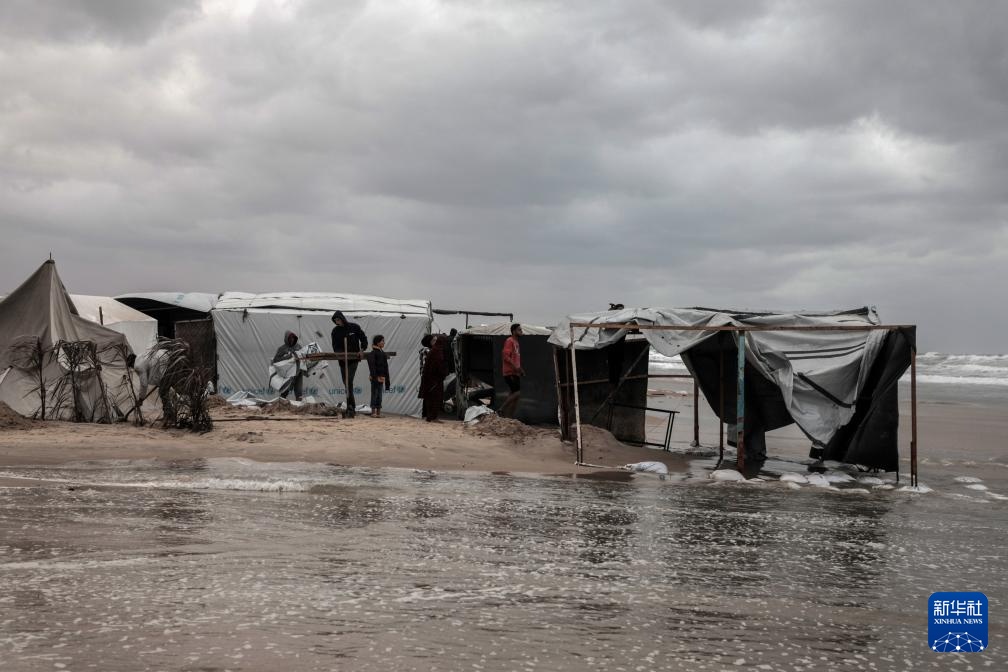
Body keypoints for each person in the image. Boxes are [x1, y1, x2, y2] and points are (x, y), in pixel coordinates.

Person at [331, 310, 367, 417]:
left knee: (348, 381)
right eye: (335, 320)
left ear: (342, 318)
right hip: (342, 361)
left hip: (353, 359)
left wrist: (362, 350)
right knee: (346, 384)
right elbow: (335, 346)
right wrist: (340, 355)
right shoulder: (335, 331)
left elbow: (363, 339)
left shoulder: (354, 327)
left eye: (338, 319)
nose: (337, 322)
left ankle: (351, 407)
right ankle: (351, 407)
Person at [419, 333, 448, 422]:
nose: (435, 342)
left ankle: (429, 416)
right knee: (433, 397)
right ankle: (431, 416)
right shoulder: (431, 351)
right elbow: (433, 365)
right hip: (432, 379)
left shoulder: (433, 350)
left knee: (429, 397)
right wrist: (443, 373)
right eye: (433, 340)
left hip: (429, 378)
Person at [499, 323, 525, 419]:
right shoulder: (509, 341)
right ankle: (501, 409)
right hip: (509, 372)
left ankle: (509, 418)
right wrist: (515, 367)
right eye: (519, 330)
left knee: (514, 396)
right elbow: (505, 356)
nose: (521, 331)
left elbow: (516, 359)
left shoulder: (516, 343)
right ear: (514, 331)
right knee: (517, 393)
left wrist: (520, 369)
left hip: (515, 372)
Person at [272, 331, 304, 401]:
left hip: (298, 372)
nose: (292, 340)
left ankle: (299, 407)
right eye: (290, 338)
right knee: (286, 389)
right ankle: (280, 404)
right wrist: (288, 357)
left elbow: (303, 357)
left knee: (299, 390)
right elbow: (276, 360)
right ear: (287, 339)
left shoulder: (298, 346)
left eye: (293, 338)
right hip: (288, 373)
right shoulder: (282, 348)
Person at [366, 334, 391, 418]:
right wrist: (375, 377)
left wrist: (387, 379)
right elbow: (372, 366)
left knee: (379, 395)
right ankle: (373, 412)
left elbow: (385, 367)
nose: (384, 342)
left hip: (381, 377)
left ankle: (378, 412)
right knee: (375, 394)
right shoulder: (373, 353)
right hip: (375, 377)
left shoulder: (382, 353)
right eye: (382, 341)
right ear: (377, 342)